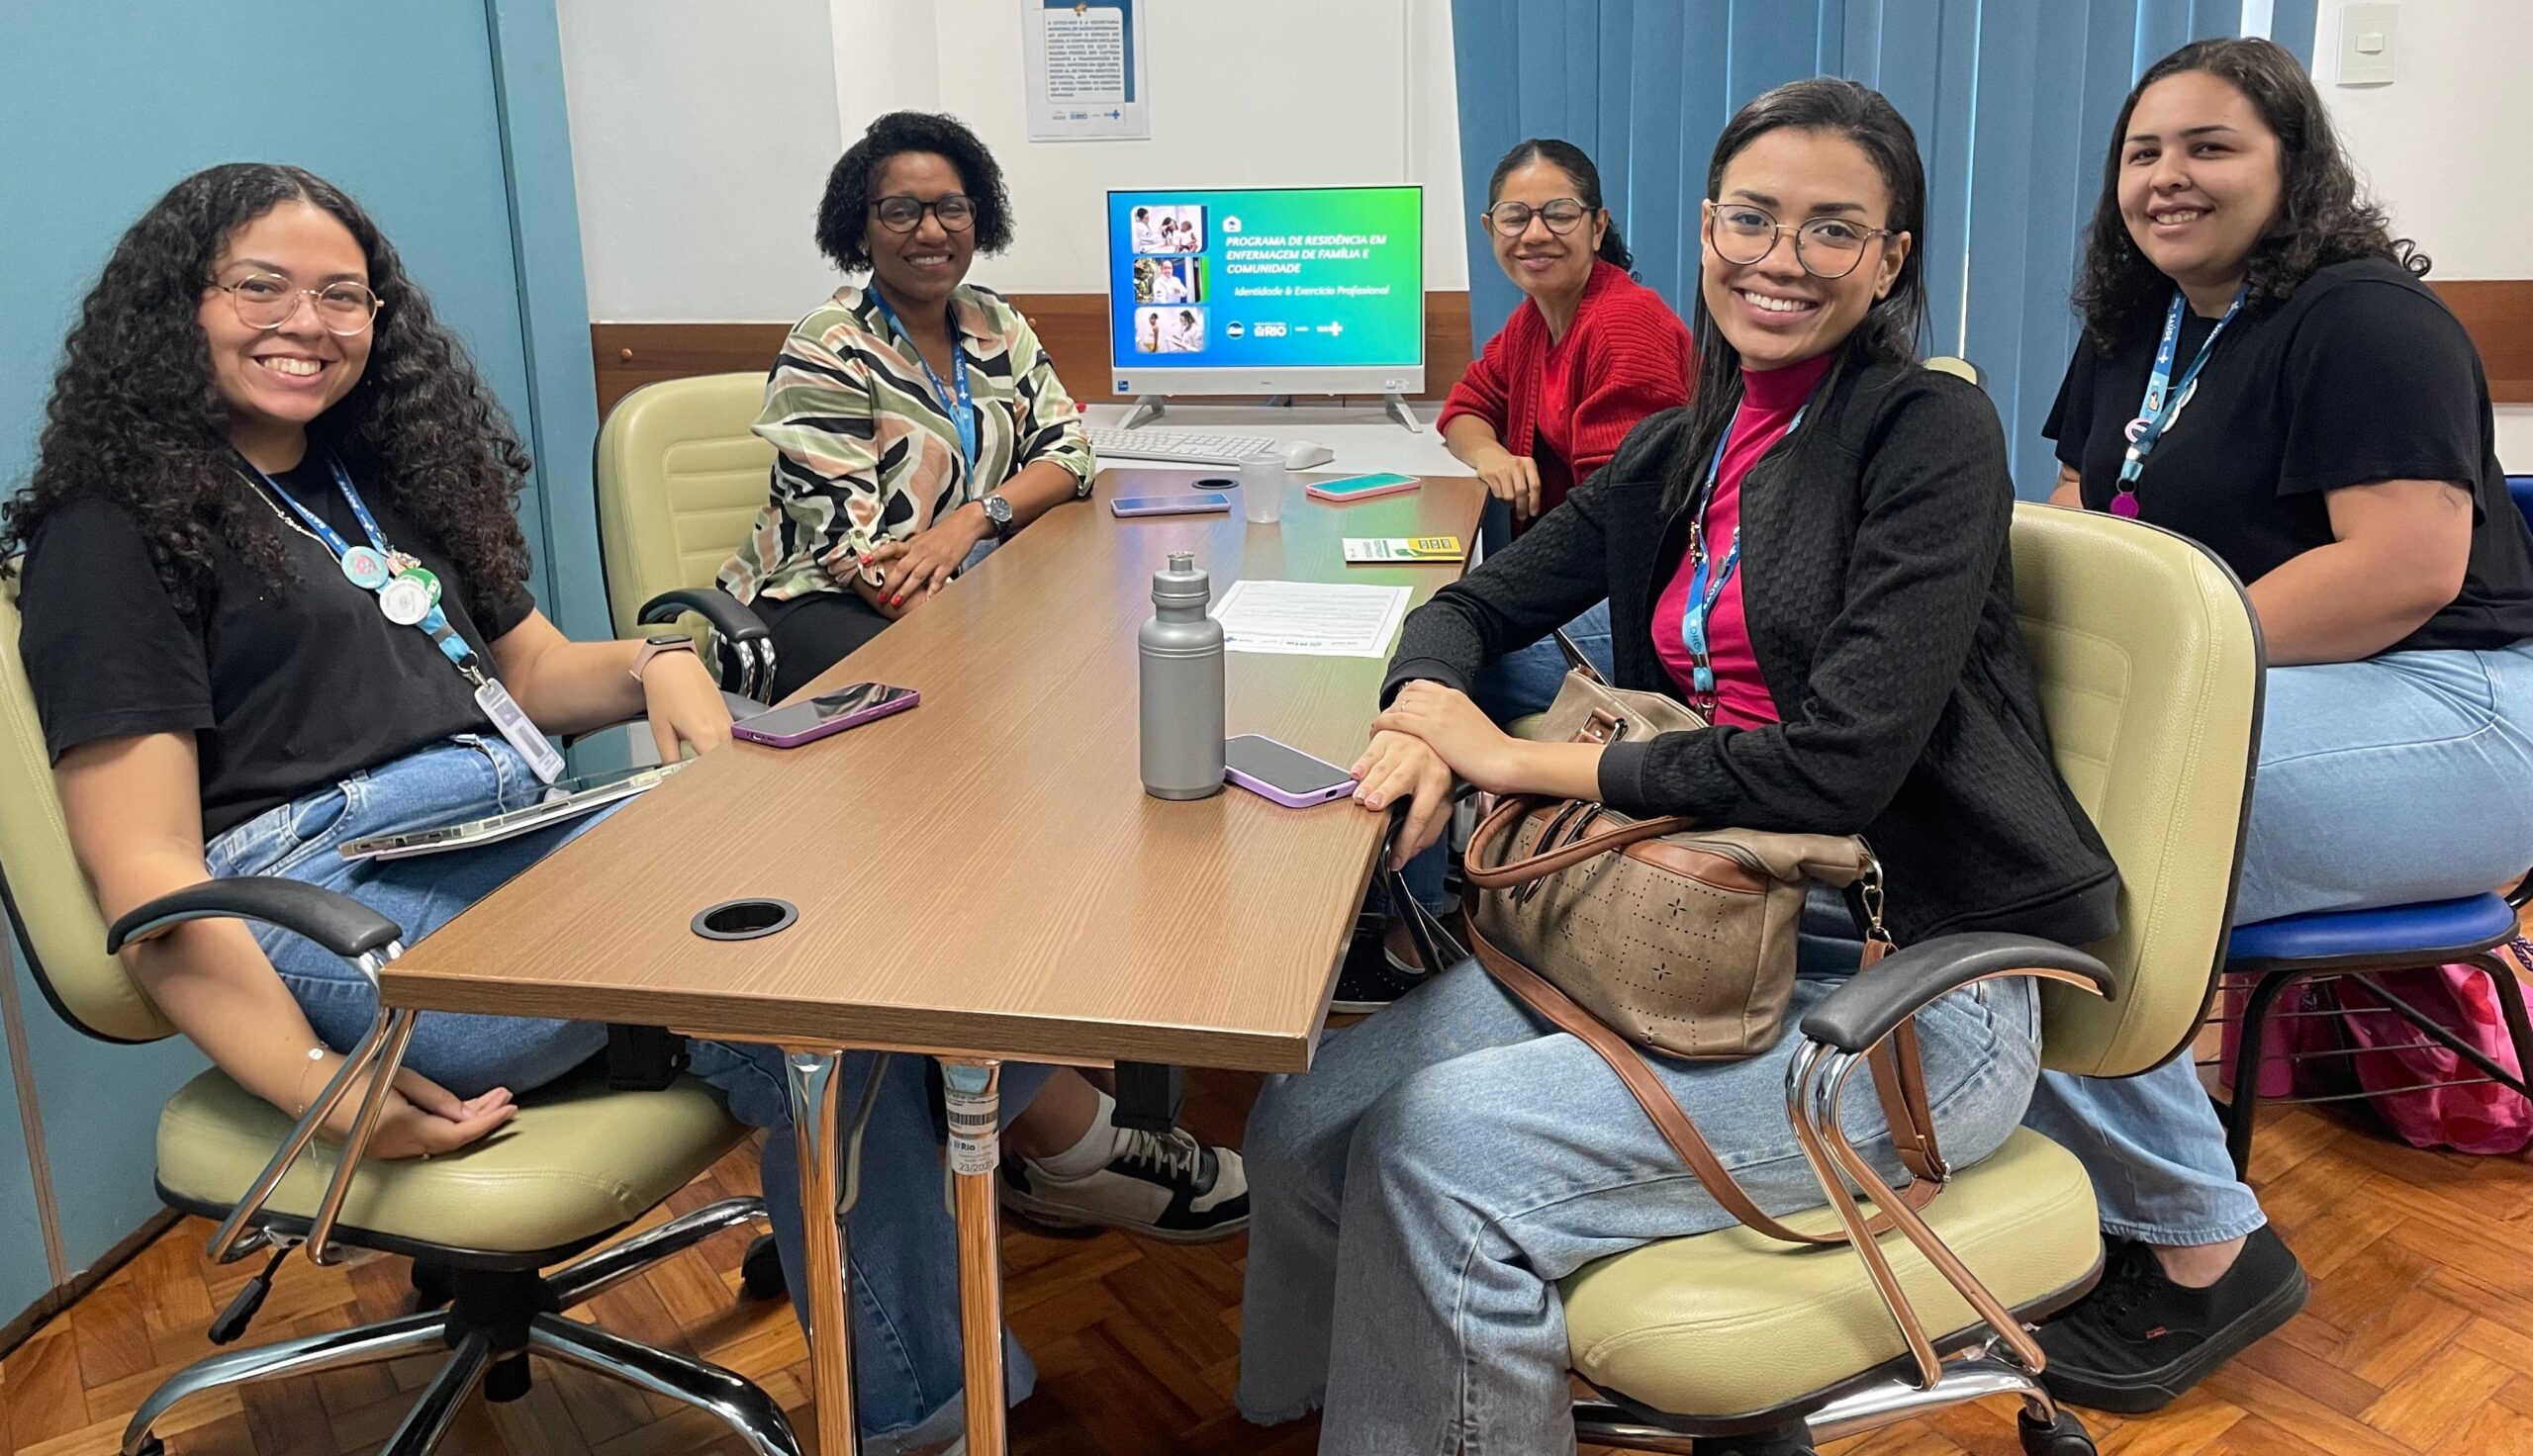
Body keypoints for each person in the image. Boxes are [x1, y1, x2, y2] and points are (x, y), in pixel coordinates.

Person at [2, 162, 1018, 1456]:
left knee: (884, 889)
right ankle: (928, 1412)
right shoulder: (118, 529)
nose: (306, 324)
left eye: (342, 296)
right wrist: (331, 1086)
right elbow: (149, 880)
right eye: (260, 287)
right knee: (844, 990)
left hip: (505, 846)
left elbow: (530, 672)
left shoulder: (368, 477)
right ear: (175, 305)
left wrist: (657, 664)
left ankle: (957, 1347)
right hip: (339, 915)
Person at [1236, 79, 2118, 1456]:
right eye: (1754, 220)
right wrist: (1421, 714)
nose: (1781, 258)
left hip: (1893, 989)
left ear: (1891, 261)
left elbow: (1836, 767)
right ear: (1704, 228)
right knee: (1301, 1122)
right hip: (1666, 926)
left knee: (1436, 1152)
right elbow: (1470, 604)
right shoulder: (1684, 443)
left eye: (1834, 232)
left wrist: (1525, 762)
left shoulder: (1925, 433)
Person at [2025, 36, 2533, 1414]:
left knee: (2051, 859)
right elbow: (2088, 521)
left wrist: (2165, 676)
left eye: (2210, 146)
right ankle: (2109, 1191)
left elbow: (2404, 569)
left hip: (2454, 706)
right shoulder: (2137, 325)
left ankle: (2206, 1251)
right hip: (2273, 692)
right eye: (2143, 151)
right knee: (1986, 814)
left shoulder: (2366, 318)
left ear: (2292, 165)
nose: (2168, 176)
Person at [716, 111, 1247, 1242]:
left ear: (979, 218)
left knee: (1091, 720)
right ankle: (1050, 1108)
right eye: (899, 208)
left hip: (962, 593)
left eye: (949, 206)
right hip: (816, 615)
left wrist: (978, 516)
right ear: (858, 224)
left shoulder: (995, 323)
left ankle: (1053, 1071)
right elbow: (872, 559)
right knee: (1000, 769)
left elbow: (1068, 448)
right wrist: (968, 553)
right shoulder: (828, 344)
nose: (928, 228)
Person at [1342, 139, 1701, 1010]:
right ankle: (1406, 911)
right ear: (1489, 227)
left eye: (1559, 213)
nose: (1534, 232)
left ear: (1599, 224)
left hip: (1637, 608)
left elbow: (1630, 531)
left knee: (1441, 681)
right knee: (1428, 665)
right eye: (1515, 215)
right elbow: (1463, 410)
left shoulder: (1624, 325)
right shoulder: (1541, 319)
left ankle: (1411, 924)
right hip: (1581, 585)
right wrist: (1496, 453)